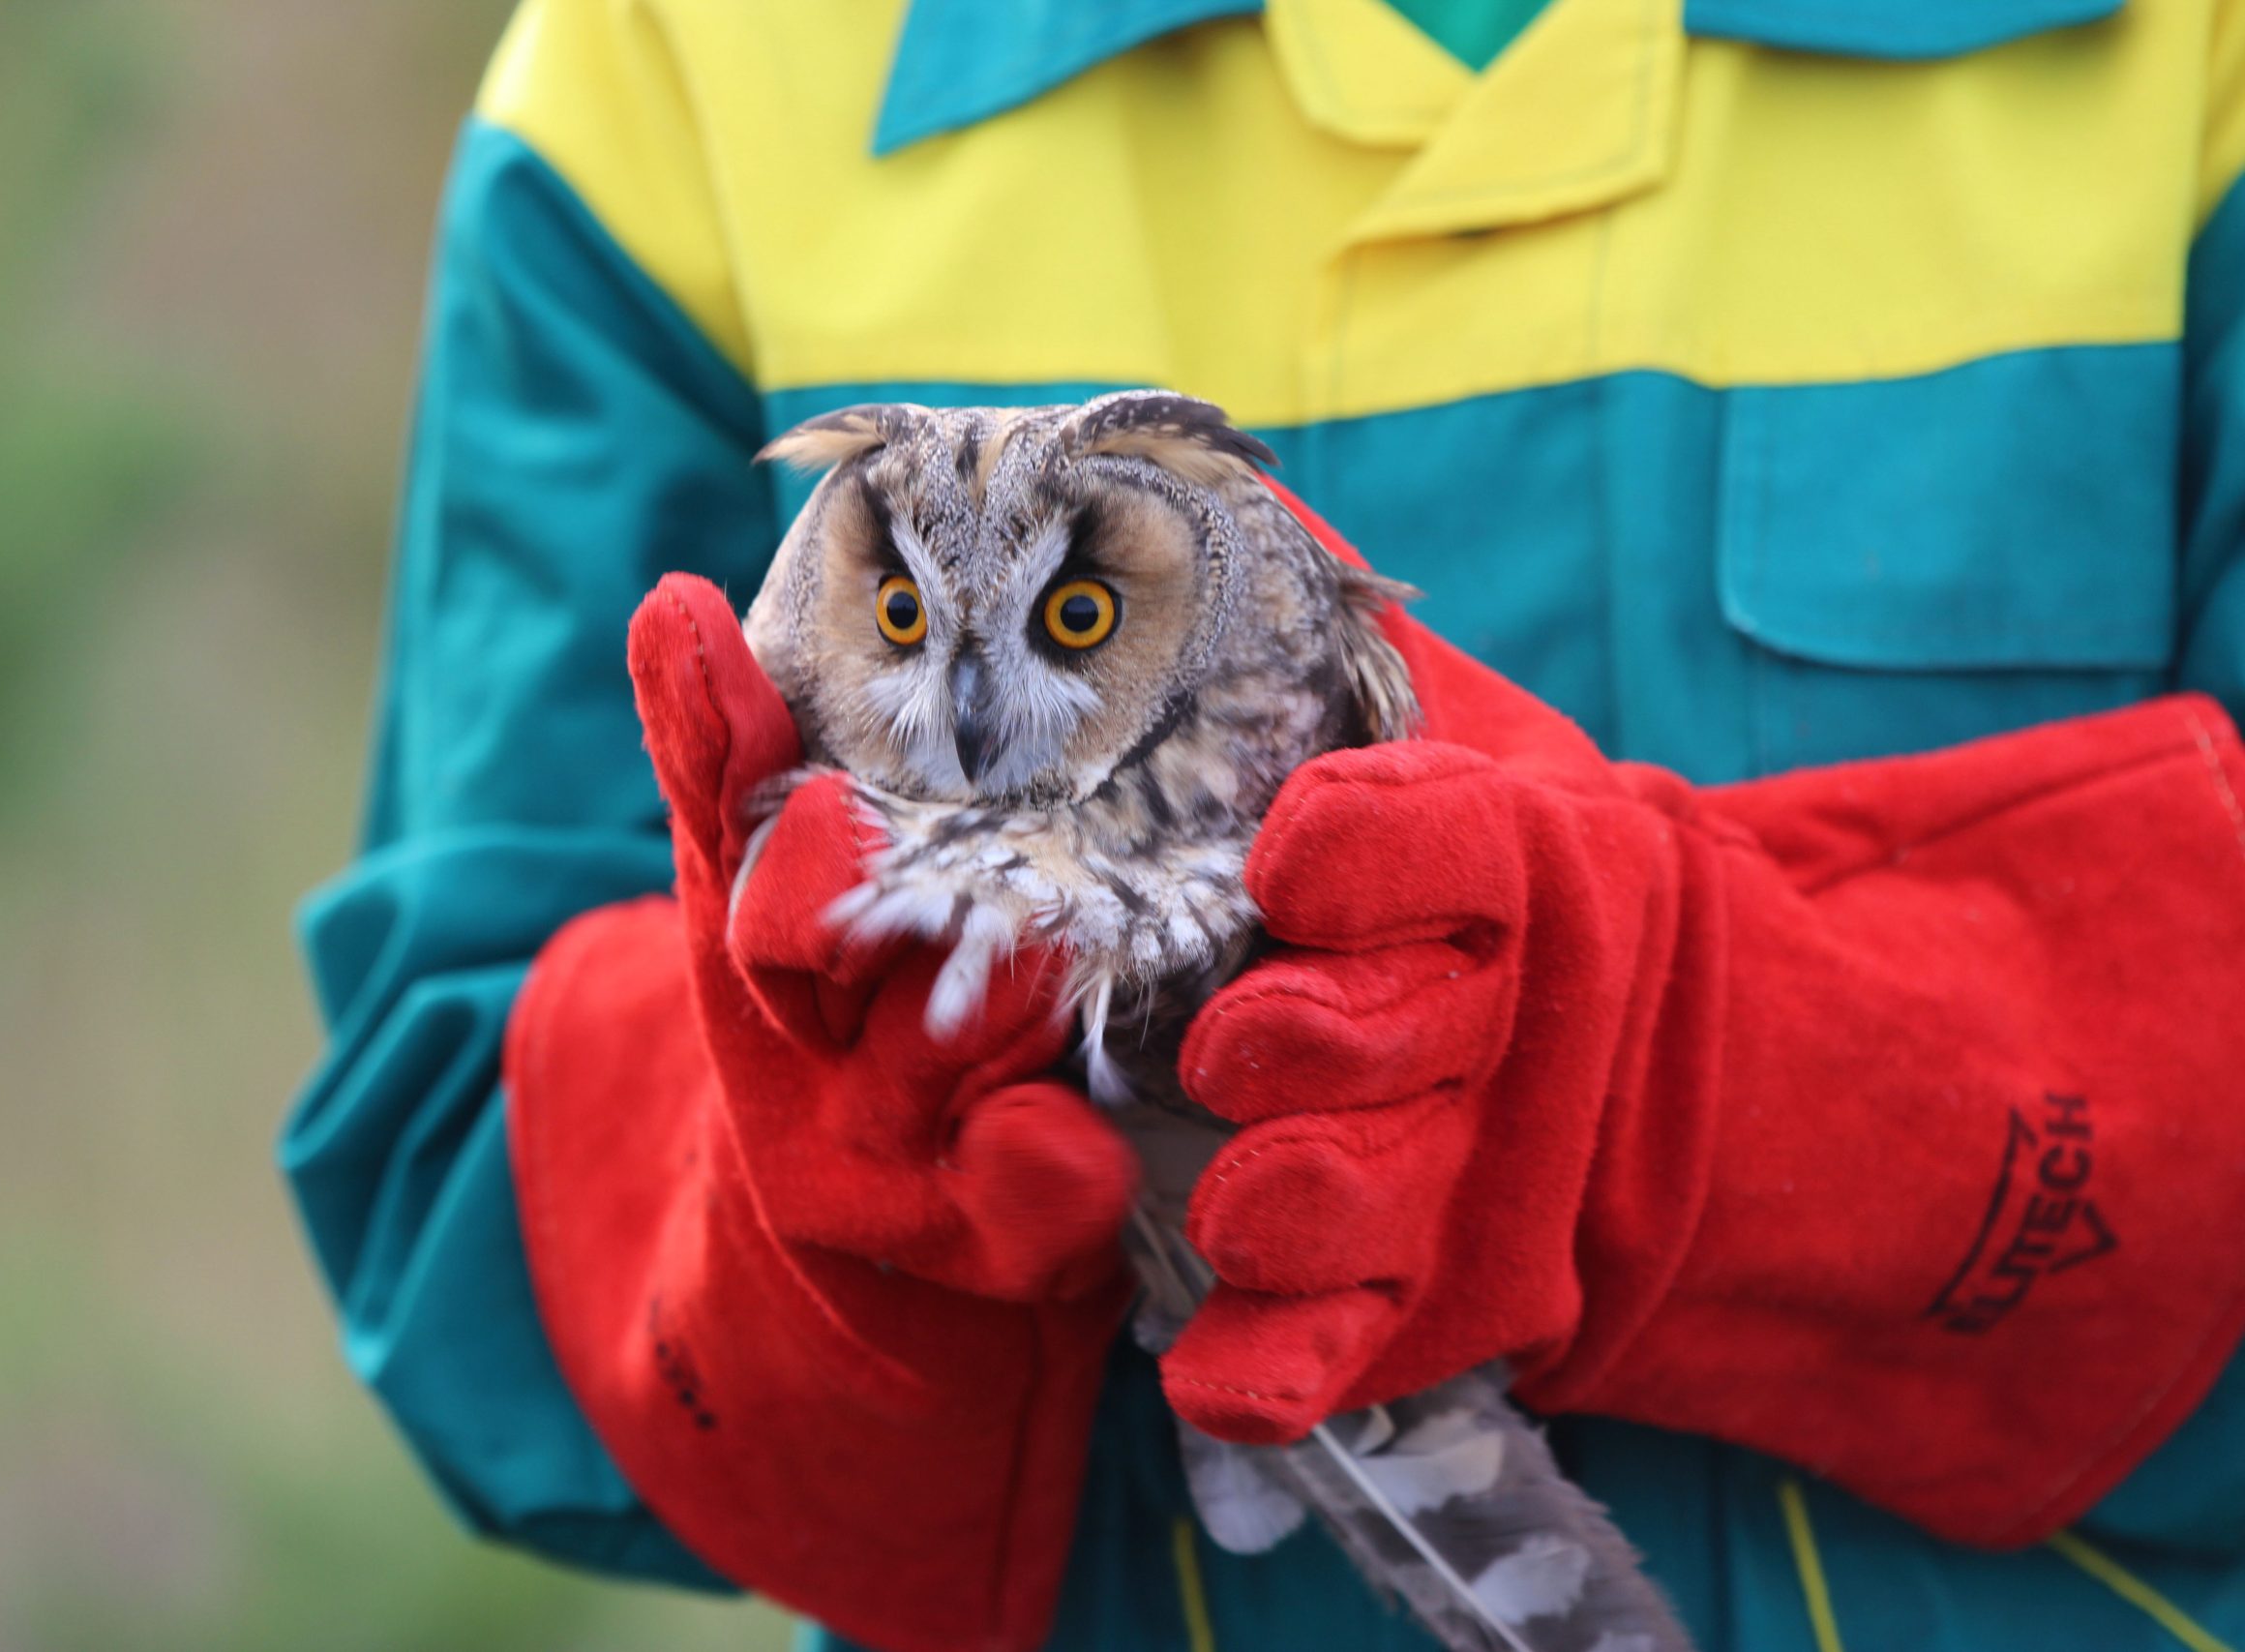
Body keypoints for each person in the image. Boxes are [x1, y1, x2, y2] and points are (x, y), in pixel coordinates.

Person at [281, 0, 2245, 1645]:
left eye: (1074, 609)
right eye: (907, 614)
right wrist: (790, 1196)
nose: (975, 696)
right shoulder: (699, 54)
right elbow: (457, 1164)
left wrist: (1716, 1078)